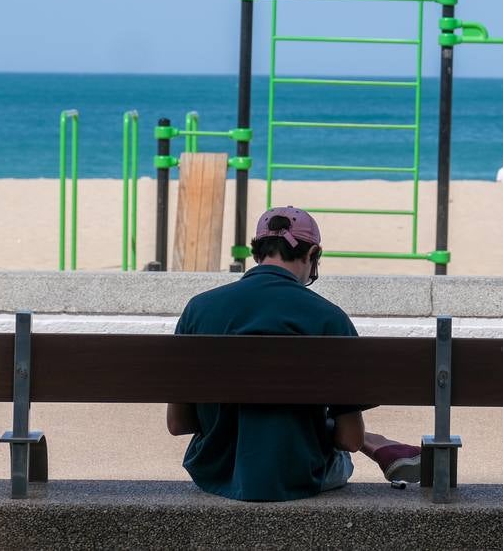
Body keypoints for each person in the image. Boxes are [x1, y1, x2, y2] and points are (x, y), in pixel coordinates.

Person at [167, 206, 423, 501]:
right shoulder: (329, 318)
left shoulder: (199, 309)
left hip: (216, 471)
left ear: (256, 252)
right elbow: (349, 440)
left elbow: (178, 424)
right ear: (313, 253)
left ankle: (376, 441)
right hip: (299, 474)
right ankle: (377, 442)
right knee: (338, 447)